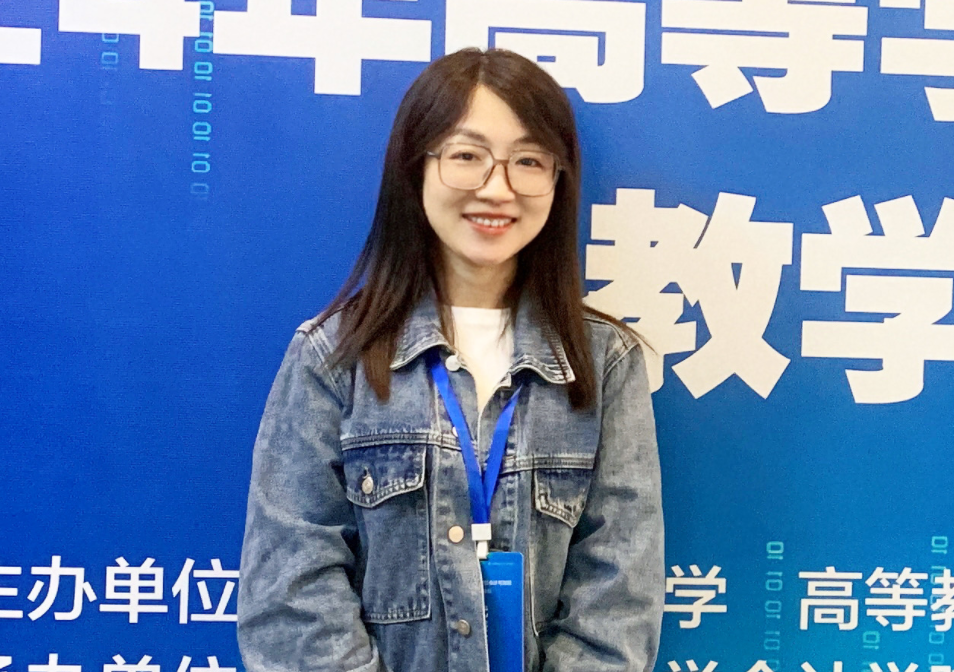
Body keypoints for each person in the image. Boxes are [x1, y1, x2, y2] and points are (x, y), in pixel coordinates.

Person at [237, 48, 664, 672]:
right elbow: (290, 592)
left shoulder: (605, 362)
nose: (498, 188)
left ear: (558, 179)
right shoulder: (333, 356)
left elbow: (619, 594)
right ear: (417, 167)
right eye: (467, 156)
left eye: (528, 161)